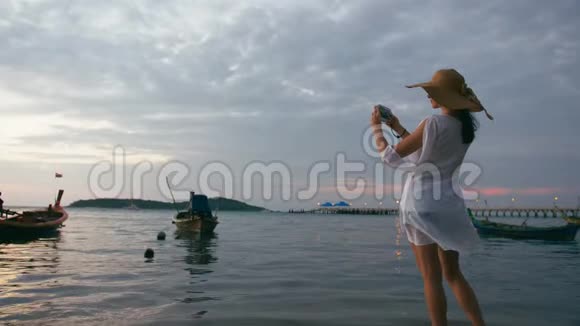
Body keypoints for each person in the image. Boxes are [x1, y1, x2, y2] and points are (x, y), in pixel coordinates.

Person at [371, 69, 492, 326]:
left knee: (431, 279)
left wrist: (377, 130)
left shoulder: (432, 123)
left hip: (420, 205)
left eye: (431, 92)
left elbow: (391, 158)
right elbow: (421, 156)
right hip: (448, 206)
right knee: (454, 274)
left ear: (444, 96)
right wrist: (397, 127)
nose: (428, 97)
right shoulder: (463, 130)